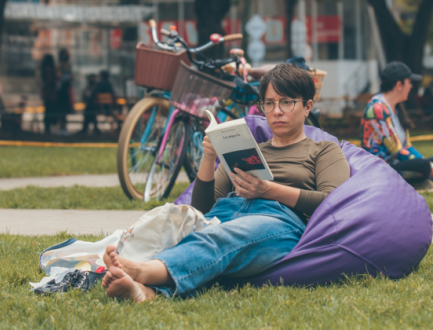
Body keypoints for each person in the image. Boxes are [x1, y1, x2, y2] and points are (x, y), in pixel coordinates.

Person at [101, 64, 351, 303]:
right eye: (269, 103)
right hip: (227, 212)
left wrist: (267, 190)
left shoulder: (324, 150)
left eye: (286, 102)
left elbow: (333, 203)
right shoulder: (247, 148)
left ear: (307, 106)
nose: (276, 111)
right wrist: (209, 158)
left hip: (279, 222)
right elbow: (201, 210)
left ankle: (143, 270)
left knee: (221, 236)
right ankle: (144, 293)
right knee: (186, 224)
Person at [360, 61, 433, 189]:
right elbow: (397, 152)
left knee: (430, 162)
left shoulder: (396, 109)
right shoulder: (377, 108)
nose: (411, 86)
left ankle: (423, 181)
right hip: (379, 170)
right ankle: (425, 180)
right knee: (424, 166)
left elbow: (407, 147)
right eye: (409, 82)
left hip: (398, 165)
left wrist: (429, 163)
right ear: (399, 85)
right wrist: (430, 166)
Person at [57, 48, 74, 135]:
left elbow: (71, 76)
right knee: (61, 110)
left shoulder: (68, 65)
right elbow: (59, 77)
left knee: (66, 109)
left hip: (67, 89)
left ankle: (64, 127)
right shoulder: (59, 66)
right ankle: (60, 127)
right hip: (61, 91)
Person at [40, 54, 58, 135]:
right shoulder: (50, 69)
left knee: (47, 110)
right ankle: (50, 126)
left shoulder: (43, 69)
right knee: (51, 110)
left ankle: (47, 127)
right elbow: (51, 80)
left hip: (47, 93)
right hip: (51, 93)